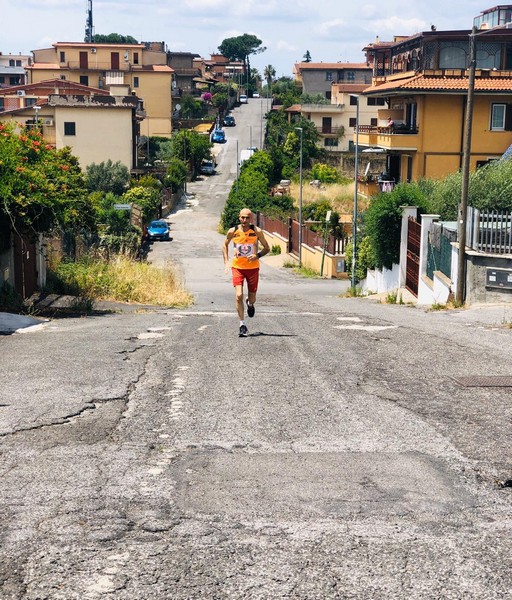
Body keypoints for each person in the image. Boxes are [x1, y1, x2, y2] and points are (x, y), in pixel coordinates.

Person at [223, 208, 270, 337]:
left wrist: (257, 256)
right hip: (237, 267)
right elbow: (225, 245)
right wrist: (227, 261)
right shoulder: (233, 231)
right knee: (238, 295)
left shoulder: (256, 231)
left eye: (247, 218)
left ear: (251, 219)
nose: (244, 220)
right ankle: (242, 325)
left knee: (252, 298)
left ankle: (250, 303)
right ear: (239, 218)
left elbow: (267, 248)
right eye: (242, 217)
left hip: (253, 268)